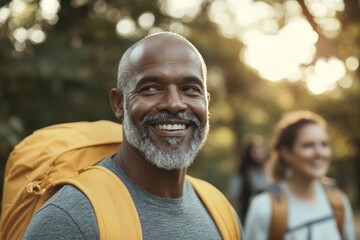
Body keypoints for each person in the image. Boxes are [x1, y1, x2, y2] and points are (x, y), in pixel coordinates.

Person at [23, 32, 243, 239]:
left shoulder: (221, 211)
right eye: (151, 88)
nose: (175, 104)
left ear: (207, 101)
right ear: (120, 104)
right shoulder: (68, 219)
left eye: (190, 89)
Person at [245, 111, 356, 240]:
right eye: (308, 145)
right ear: (286, 152)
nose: (319, 152)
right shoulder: (264, 208)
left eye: (324, 144)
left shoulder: (338, 202)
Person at [228, 135, 271, 220]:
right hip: (249, 216)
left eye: (261, 149)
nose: (259, 153)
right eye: (255, 151)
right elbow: (233, 197)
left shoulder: (273, 170)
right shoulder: (243, 173)